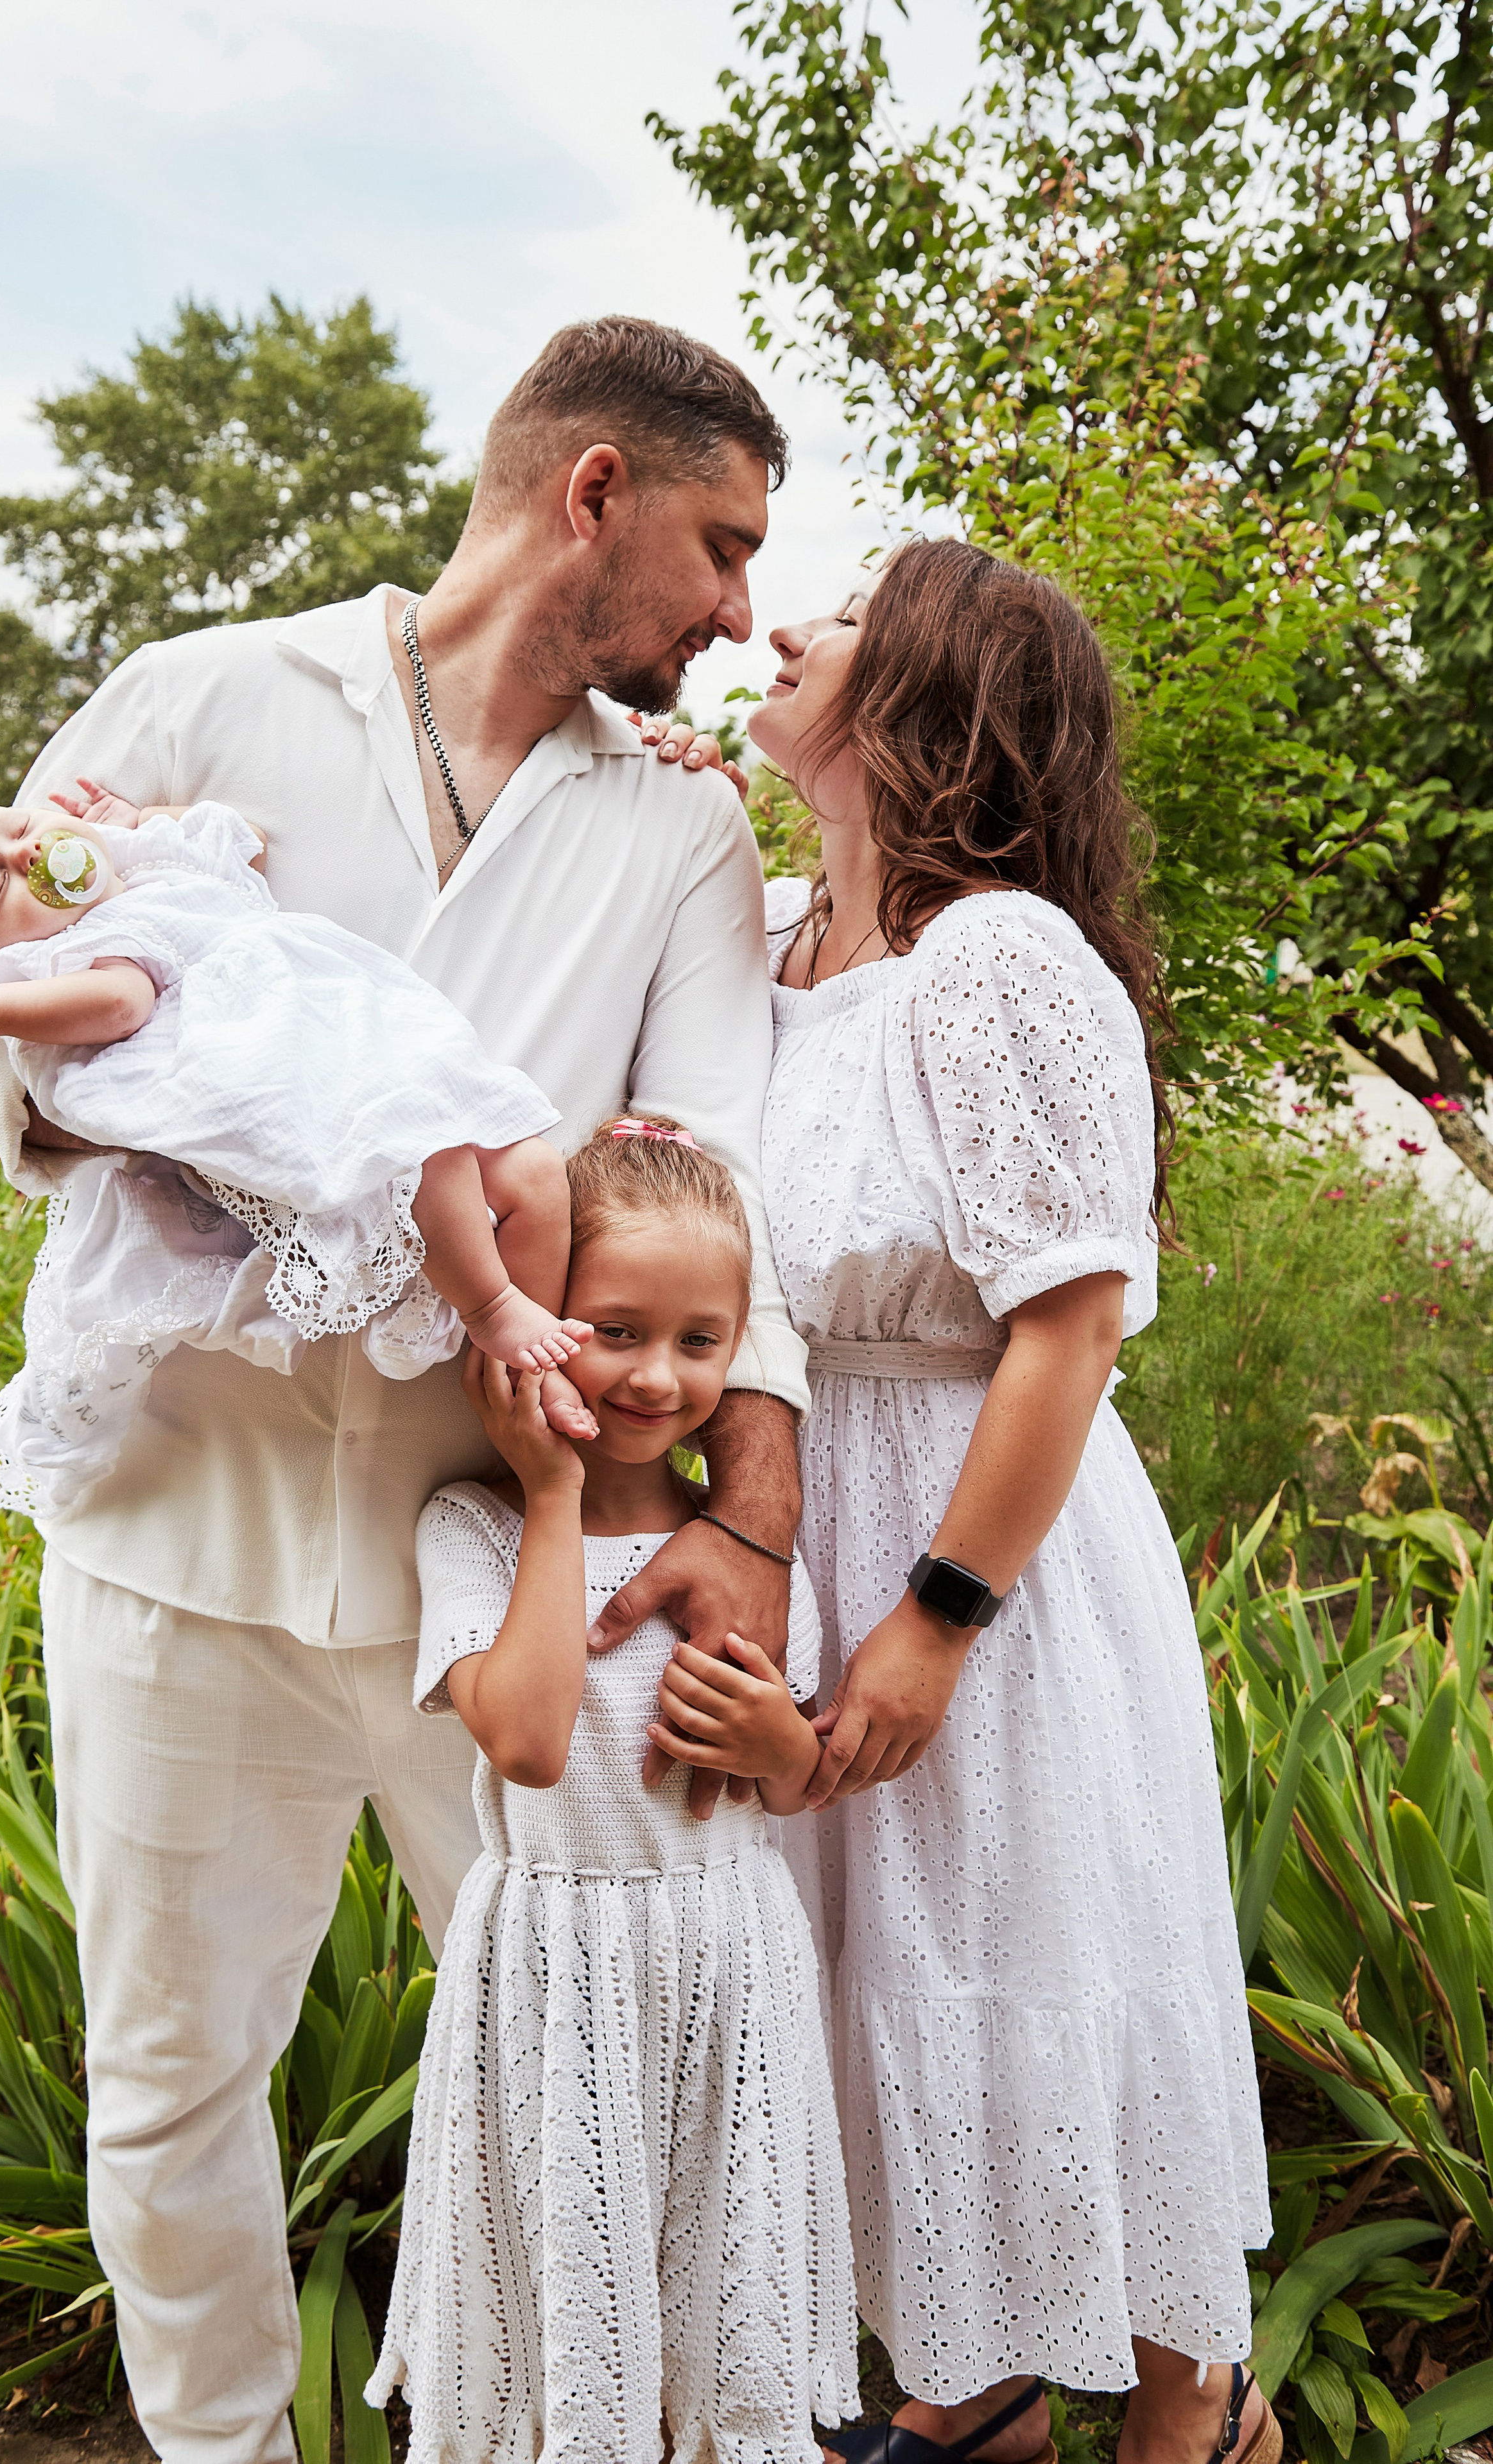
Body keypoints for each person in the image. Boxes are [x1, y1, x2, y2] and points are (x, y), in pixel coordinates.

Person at [0, 316, 810, 2464]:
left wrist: (753, 1518)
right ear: (594, 492)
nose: (738, 611)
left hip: (502, 1577)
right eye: (723, 546)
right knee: (170, 2082)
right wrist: (233, 1116)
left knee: (601, 2057)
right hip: (176, 1541)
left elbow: (722, 1171)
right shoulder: (199, 698)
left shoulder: (679, 830)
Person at [649, 537, 1275, 2464]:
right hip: (807, 1499)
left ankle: (1196, 2407)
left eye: (836, 615)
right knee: (888, 1980)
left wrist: (934, 1614)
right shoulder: (766, 940)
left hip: (978, 1534)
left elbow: (1070, 1323)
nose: (779, 624)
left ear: (925, 686)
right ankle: (974, 2385)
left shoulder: (996, 958)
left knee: (1040, 1952)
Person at [369, 1115, 858, 2464]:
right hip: (553, 1967)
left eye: (701, 1340)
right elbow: (527, 1742)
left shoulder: (741, 1554)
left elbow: (793, 1786)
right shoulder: (473, 1526)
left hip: (729, 1955)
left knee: (724, 2276)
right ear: (536, 1321)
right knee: (567, 2274)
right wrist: (550, 1493)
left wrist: (777, 1744)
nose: (656, 1375)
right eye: (615, 1330)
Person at [0, 790, 593, 1518]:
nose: (29, 853)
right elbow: (122, 1005)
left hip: (337, 1017)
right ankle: (491, 1305)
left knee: (535, 1171)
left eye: (19, 827)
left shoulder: (151, 871)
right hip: (285, 1060)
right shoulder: (77, 953)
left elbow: (245, 842)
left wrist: (135, 827)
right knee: (424, 1148)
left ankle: (539, 1376)